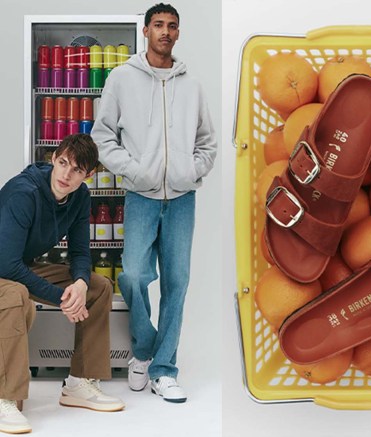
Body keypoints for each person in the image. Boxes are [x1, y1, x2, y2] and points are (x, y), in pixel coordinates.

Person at [91, 2, 217, 404]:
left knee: (177, 284)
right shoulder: (121, 79)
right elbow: (102, 134)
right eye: (158, 25)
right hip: (141, 196)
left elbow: (208, 143)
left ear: (178, 34)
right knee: (133, 276)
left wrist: (190, 171)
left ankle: (164, 369)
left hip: (182, 199)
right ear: (145, 31)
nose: (165, 31)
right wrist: (134, 170)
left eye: (172, 26)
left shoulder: (191, 86)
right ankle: (143, 348)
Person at [0, 134, 125, 434]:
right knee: (16, 293)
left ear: (88, 176)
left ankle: (79, 383)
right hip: (5, 267)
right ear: (53, 157)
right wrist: (63, 297)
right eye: (63, 163)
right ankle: (5, 395)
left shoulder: (79, 197)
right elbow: (7, 265)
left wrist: (80, 283)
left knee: (98, 287)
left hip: (20, 266)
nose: (66, 175)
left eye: (77, 170)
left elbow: (81, 251)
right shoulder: (24, 193)